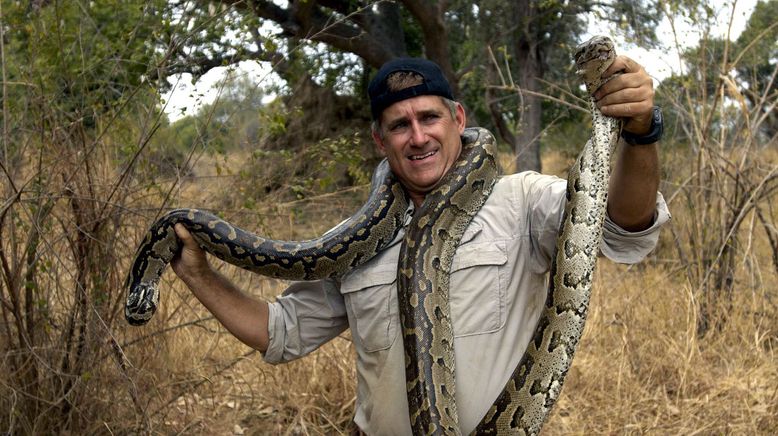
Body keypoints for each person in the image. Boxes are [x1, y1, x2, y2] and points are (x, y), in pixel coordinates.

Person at [171, 56, 670, 434]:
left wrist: (640, 132)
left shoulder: (522, 201)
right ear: (379, 141)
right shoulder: (350, 241)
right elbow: (280, 332)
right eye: (399, 125)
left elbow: (622, 227)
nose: (417, 137)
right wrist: (197, 273)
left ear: (457, 117)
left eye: (429, 118)